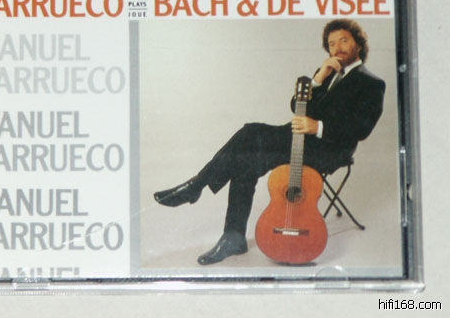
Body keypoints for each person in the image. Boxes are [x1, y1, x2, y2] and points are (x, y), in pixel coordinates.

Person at [153, 19, 386, 265]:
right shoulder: (328, 72)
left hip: (330, 150)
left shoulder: (371, 83)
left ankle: (198, 187)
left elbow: (362, 128)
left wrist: (317, 127)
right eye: (331, 43)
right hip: (299, 139)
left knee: (250, 133)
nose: (337, 47)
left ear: (359, 44)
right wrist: (318, 79)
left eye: (344, 41)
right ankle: (233, 237)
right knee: (245, 161)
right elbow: (297, 106)